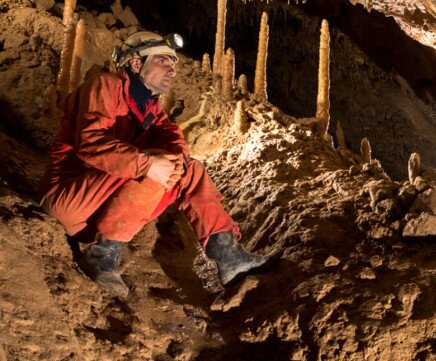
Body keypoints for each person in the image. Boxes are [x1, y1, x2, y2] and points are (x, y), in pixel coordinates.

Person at [38, 31, 273, 297]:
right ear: (137, 64)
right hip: (69, 198)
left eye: (174, 64)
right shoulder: (104, 86)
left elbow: (175, 140)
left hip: (101, 211)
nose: (172, 70)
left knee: (189, 168)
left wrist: (172, 160)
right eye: (163, 61)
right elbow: (91, 143)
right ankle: (100, 257)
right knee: (156, 162)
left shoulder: (150, 107)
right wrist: (148, 164)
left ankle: (228, 256)